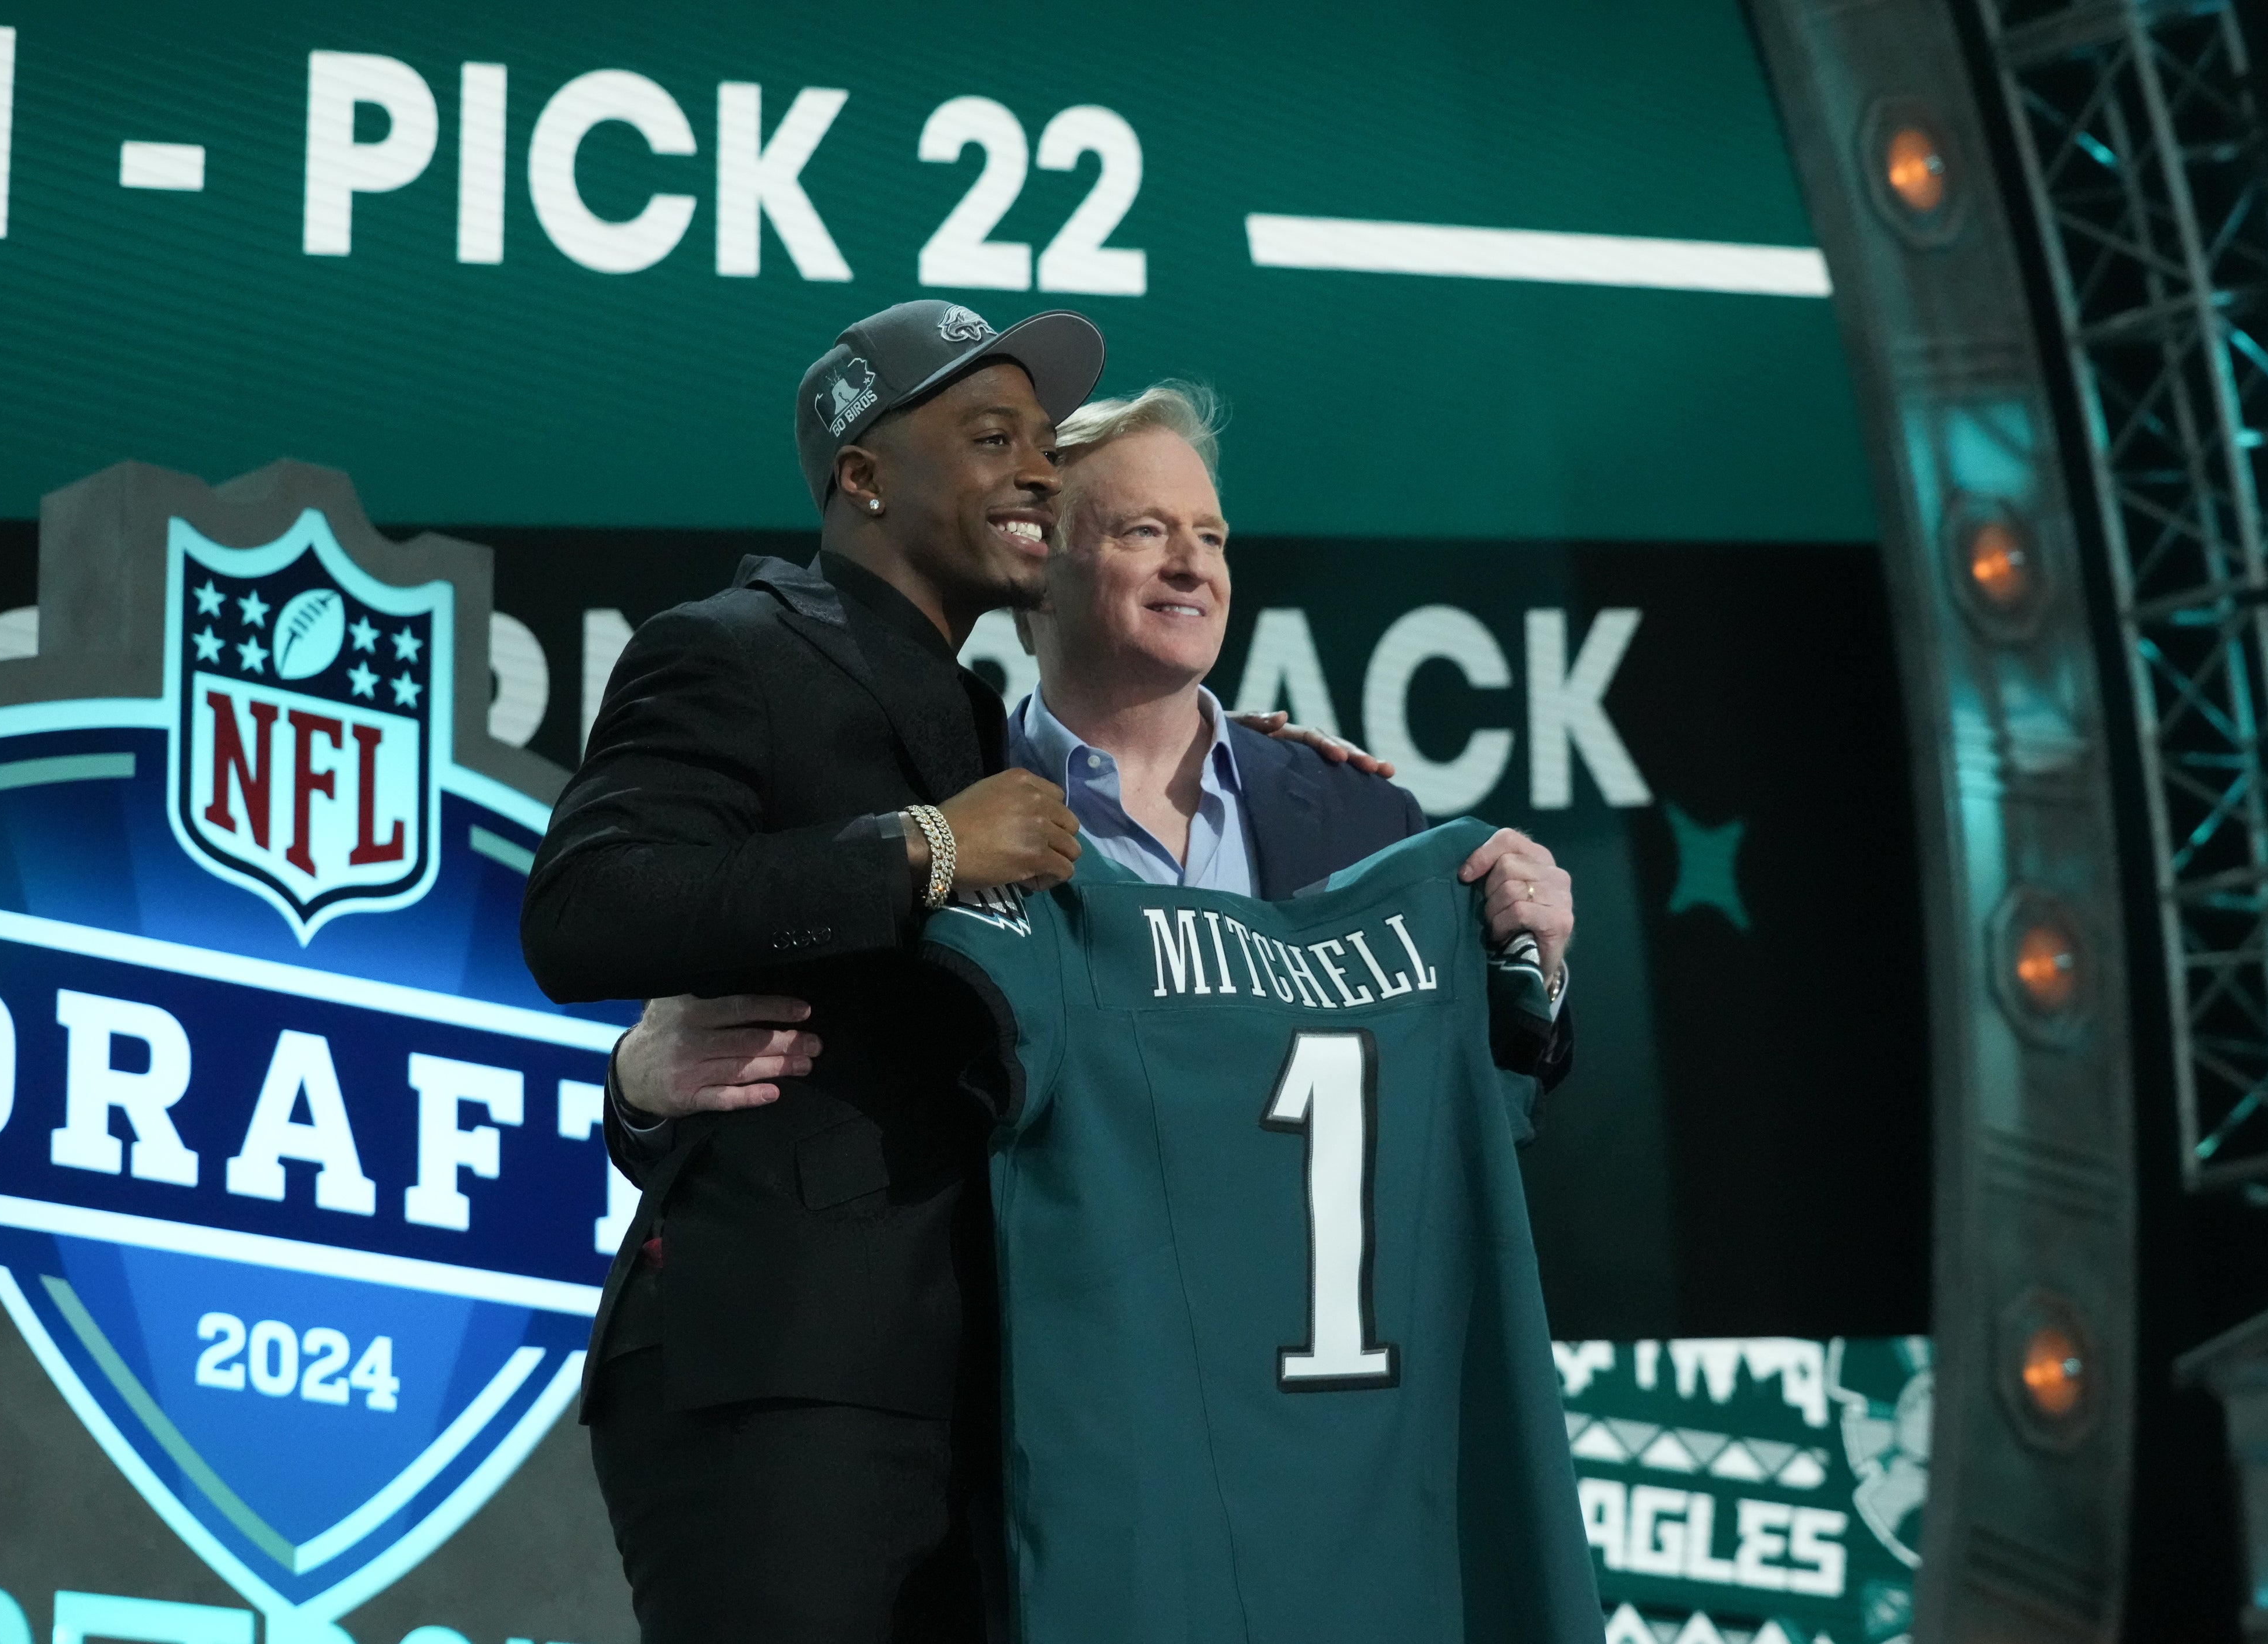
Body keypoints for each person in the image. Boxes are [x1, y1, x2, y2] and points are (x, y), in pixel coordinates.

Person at [521, 298, 1105, 1644]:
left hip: (971, 1383)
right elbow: (587, 911)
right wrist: (920, 849)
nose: (1040, 471)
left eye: (1048, 444)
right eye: (991, 436)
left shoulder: (980, 720)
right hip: (783, 1366)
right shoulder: (730, 643)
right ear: (862, 473)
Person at [619, 383, 1573, 1136]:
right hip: (1051, 1362)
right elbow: (821, 1112)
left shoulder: (1356, 814)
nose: (1192, 566)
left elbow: (1474, 1095)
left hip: (1299, 1369)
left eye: (1210, 537)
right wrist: (637, 1089)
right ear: (1036, 572)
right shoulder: (933, 810)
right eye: (1143, 532)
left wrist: (1537, 965)